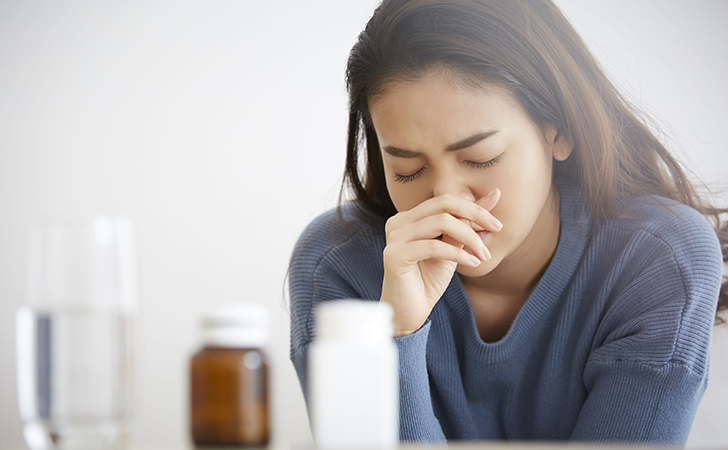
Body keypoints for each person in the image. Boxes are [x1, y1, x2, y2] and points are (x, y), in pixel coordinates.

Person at [288, 0, 728, 445]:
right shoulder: (337, 265)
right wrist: (396, 334)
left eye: (481, 158)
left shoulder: (657, 258)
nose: (447, 200)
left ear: (560, 130)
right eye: (407, 169)